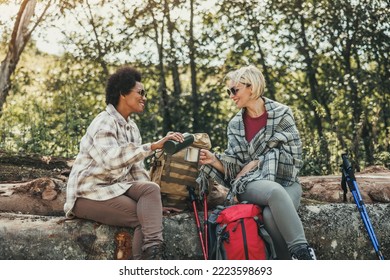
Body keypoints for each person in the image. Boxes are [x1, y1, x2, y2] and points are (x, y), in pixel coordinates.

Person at [64, 66, 185, 260]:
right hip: (88, 194)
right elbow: (111, 159)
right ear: (122, 93)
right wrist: (153, 146)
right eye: (140, 92)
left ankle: (152, 258)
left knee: (150, 191)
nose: (144, 97)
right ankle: (149, 263)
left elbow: (137, 170)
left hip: (113, 189)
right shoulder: (104, 122)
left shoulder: (131, 127)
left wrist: (154, 204)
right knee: (144, 220)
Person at [197, 65, 317, 260]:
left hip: (287, 181)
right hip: (251, 184)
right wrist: (214, 160)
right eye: (229, 91)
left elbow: (294, 156)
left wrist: (256, 162)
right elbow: (236, 166)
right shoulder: (235, 124)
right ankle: (303, 253)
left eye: (234, 90)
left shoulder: (282, 113)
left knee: (270, 215)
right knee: (274, 192)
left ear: (251, 87)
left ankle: (286, 263)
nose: (231, 96)